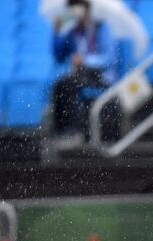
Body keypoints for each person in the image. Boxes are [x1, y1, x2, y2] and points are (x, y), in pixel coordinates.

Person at [49, 0, 120, 147]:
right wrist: (56, 32)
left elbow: (109, 59)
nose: (74, 12)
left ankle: (74, 131)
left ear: (87, 9)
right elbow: (59, 56)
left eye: (77, 7)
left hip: (101, 76)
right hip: (80, 76)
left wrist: (85, 60)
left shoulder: (101, 28)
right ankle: (61, 131)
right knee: (59, 86)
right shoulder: (72, 32)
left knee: (70, 84)